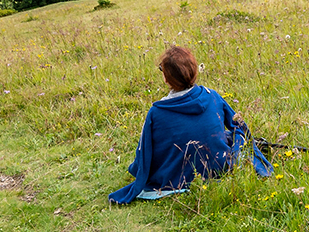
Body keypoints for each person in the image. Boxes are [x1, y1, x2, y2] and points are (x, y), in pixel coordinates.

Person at [110, 45, 272, 204]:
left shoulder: (156, 112)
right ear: (194, 71)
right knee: (227, 137)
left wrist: (135, 170)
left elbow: (144, 153)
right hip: (218, 167)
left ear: (166, 77)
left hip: (174, 177)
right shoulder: (212, 96)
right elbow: (239, 126)